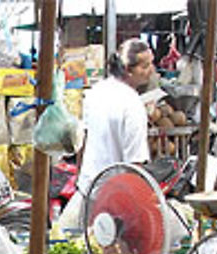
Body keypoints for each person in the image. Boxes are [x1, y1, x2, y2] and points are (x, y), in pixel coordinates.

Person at [58, 38, 155, 231]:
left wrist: (80, 177)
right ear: (128, 69)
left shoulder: (95, 92)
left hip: (88, 186)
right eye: (145, 66)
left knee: (86, 242)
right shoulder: (133, 103)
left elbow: (82, 140)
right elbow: (134, 163)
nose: (151, 70)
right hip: (114, 195)